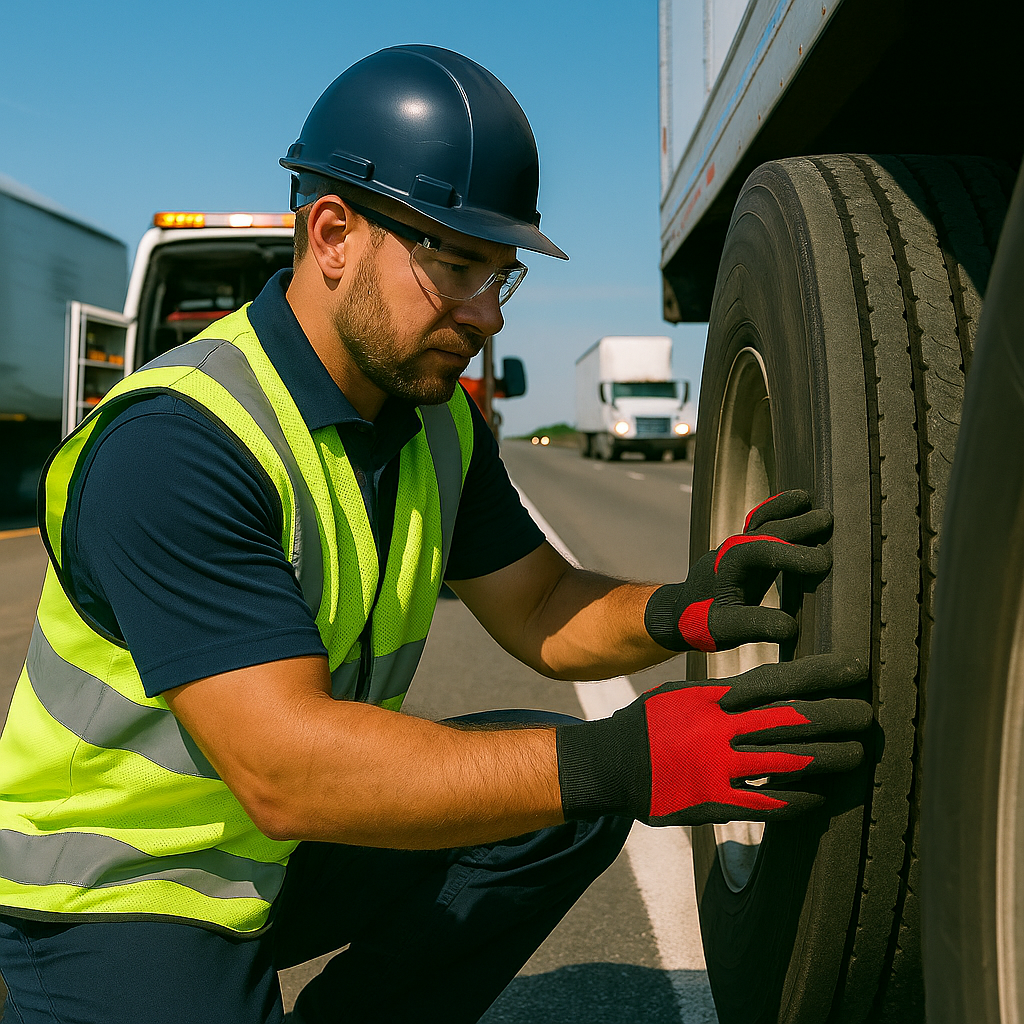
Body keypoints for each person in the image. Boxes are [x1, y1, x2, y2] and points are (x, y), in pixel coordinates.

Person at [0, 45, 870, 1024]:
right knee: (586, 766)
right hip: (120, 883)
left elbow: (540, 607)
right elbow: (286, 769)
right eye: (454, 266)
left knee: (554, 799)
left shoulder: (437, 422)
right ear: (332, 232)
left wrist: (690, 606)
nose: (486, 314)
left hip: (282, 845)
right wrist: (630, 757)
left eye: (500, 275)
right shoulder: (181, 444)